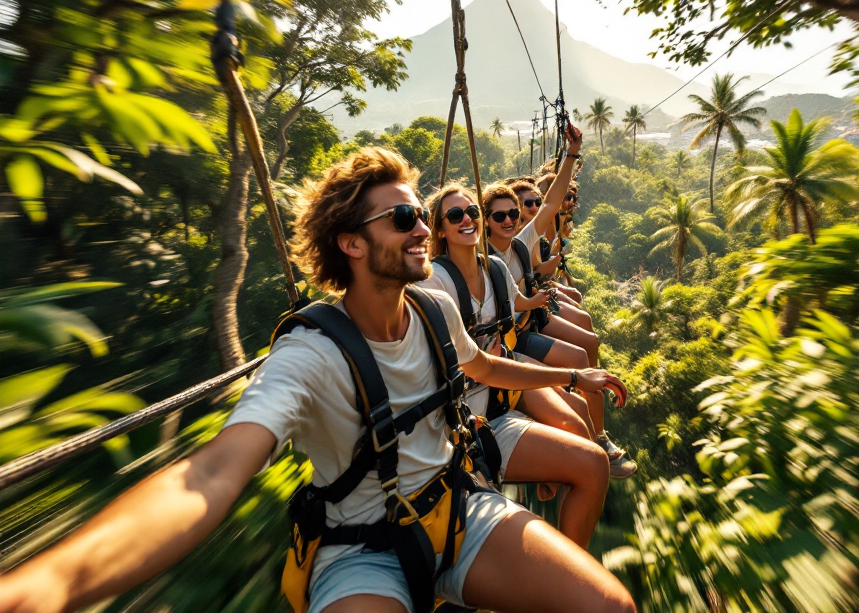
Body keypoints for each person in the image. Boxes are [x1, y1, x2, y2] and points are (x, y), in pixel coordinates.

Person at [0, 147, 635, 613]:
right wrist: (54, 583)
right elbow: (211, 473)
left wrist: (577, 371)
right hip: (362, 551)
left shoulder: (432, 309)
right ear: (352, 245)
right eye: (403, 220)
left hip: (457, 507)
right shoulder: (310, 352)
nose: (422, 230)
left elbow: (482, 366)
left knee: (610, 607)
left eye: (421, 215)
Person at [421, 183, 608, 542]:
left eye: (471, 212)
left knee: (575, 423)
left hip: (501, 384)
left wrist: (539, 300)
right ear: (440, 229)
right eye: (455, 215)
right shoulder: (435, 284)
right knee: (576, 432)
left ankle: (566, 516)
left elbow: (515, 303)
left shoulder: (494, 268)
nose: (467, 220)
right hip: (468, 406)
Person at [486, 126, 636, 478]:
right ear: (486, 221)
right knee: (580, 357)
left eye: (513, 214)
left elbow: (551, 203)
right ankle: (593, 442)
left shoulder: (520, 241)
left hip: (521, 328)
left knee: (584, 352)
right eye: (500, 216)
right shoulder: (482, 255)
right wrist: (533, 296)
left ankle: (598, 435)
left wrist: (572, 153)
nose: (510, 221)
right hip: (510, 338)